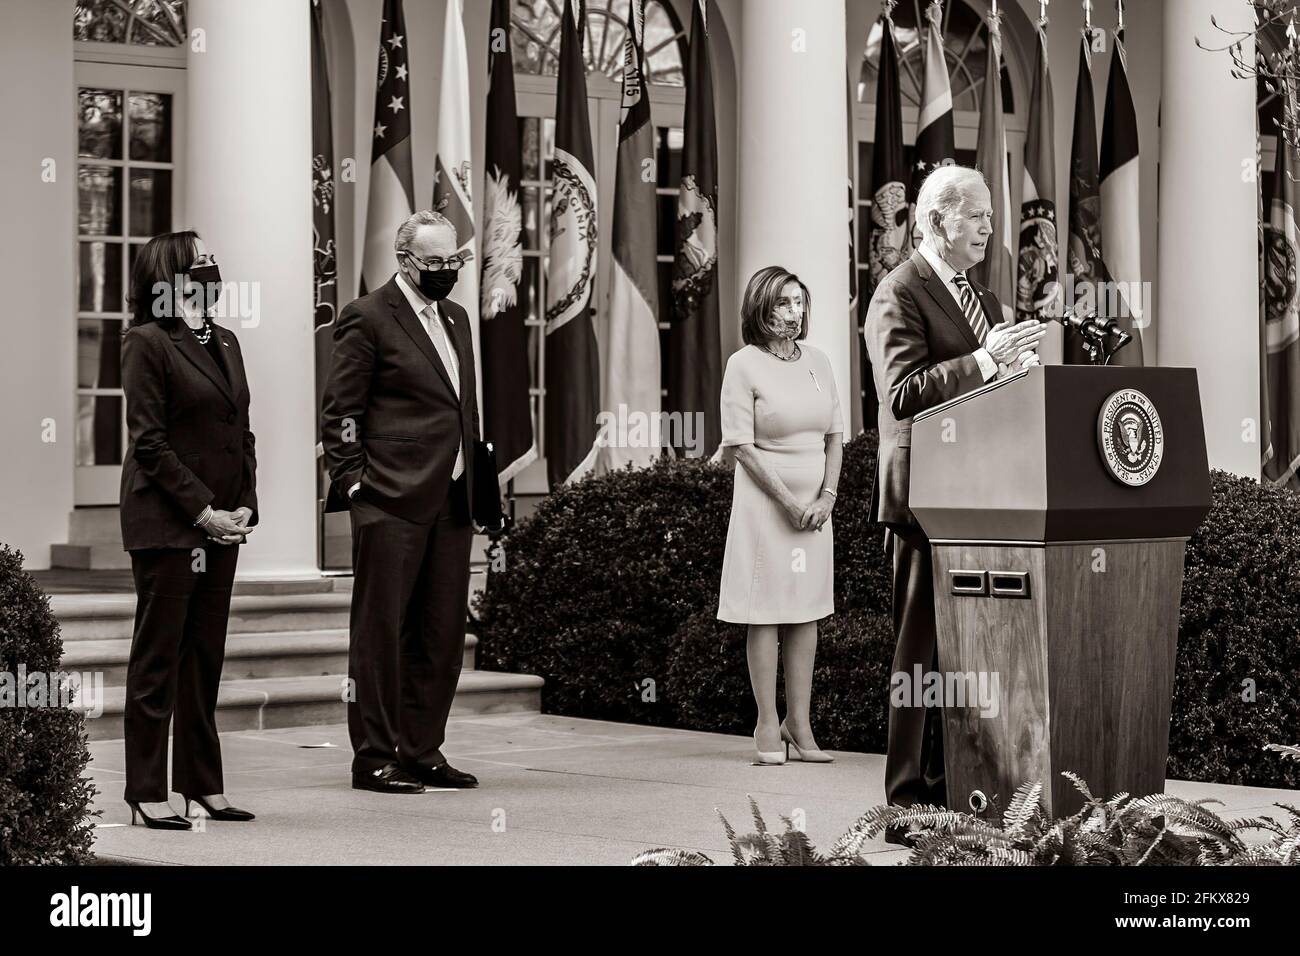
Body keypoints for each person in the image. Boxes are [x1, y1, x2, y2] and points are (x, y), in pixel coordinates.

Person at [863, 165, 1046, 843]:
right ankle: (907, 806)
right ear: (938, 219)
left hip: (983, 497)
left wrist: (1019, 376)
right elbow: (904, 393)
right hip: (922, 501)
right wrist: (985, 362)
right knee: (919, 659)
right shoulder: (897, 292)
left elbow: (991, 392)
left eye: (992, 218)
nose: (990, 229)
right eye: (978, 217)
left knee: (966, 658)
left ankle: (954, 795)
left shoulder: (986, 301)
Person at [320, 210, 481, 794]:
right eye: (434, 262)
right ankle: (374, 757)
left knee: (440, 634)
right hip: (389, 498)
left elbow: (460, 406)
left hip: (453, 499)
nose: (446, 271)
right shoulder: (366, 317)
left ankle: (422, 749)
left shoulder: (458, 318)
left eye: (453, 261)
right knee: (381, 633)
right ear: (405, 260)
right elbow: (340, 412)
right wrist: (356, 482)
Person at [119, 230, 258, 830]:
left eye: (212, 261)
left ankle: (202, 784)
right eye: (199, 261)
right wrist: (204, 511)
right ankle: (146, 789)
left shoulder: (225, 339)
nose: (211, 267)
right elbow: (149, 442)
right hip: (169, 524)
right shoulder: (146, 342)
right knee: (159, 660)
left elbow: (240, 433)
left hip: (221, 524)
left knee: (204, 659)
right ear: (169, 274)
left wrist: (244, 506)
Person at [717, 266, 843, 766]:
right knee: (766, 612)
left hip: (816, 505)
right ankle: (768, 723)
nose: (793, 313)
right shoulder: (743, 364)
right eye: (782, 304)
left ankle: (800, 723)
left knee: (807, 611)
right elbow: (742, 447)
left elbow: (835, 435)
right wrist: (789, 504)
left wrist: (827, 496)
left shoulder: (819, 361)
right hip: (765, 505)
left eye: (798, 303)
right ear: (760, 310)